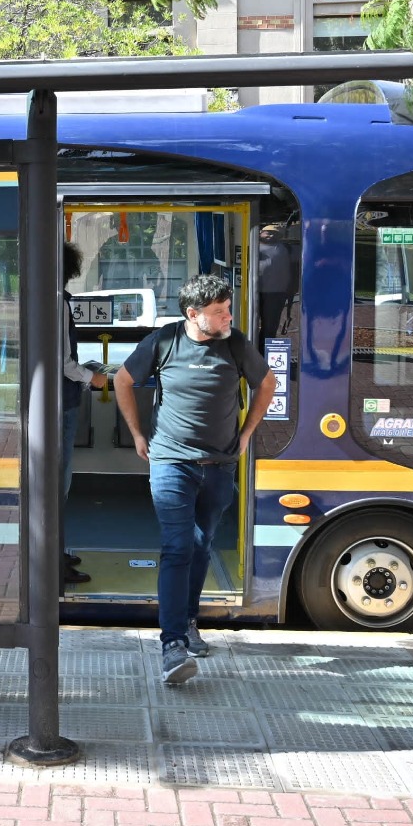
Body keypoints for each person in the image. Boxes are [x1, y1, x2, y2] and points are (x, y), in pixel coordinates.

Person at [113, 273, 275, 685]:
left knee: (203, 546)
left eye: (227, 309)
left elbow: (267, 383)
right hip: (170, 462)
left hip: (219, 465)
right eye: (219, 312)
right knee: (177, 547)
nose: (227, 317)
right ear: (193, 314)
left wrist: (245, 434)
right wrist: (136, 434)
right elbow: (123, 380)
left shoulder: (235, 344)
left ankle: (187, 620)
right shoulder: (165, 341)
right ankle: (171, 647)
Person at [61, 242, 109, 585]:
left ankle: (57, 550)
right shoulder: (59, 301)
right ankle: (56, 560)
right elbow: (62, 361)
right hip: (61, 403)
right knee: (58, 483)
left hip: (59, 400)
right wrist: (93, 377)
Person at [257, 224, 294, 341]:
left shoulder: (285, 249)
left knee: (270, 326)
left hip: (276, 293)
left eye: (274, 233)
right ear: (260, 233)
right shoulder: (253, 247)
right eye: (268, 232)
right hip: (255, 291)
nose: (271, 235)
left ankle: (264, 351)